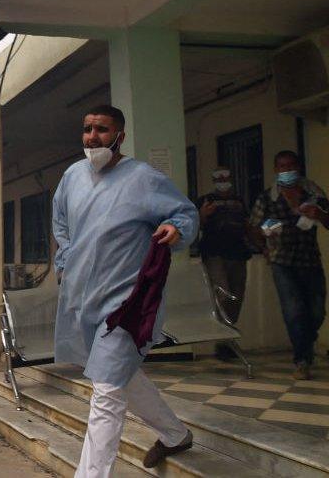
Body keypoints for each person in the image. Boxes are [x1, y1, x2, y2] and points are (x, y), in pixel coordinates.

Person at [52, 105, 198, 477]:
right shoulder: (72, 177)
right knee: (118, 374)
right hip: (84, 298)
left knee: (106, 392)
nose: (92, 137)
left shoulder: (144, 179)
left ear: (120, 136)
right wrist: (67, 261)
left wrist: (176, 229)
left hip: (126, 301)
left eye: (102, 129)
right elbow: (61, 226)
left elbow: (185, 213)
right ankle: (175, 434)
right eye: (87, 129)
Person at [248, 150, 329, 380]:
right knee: (293, 311)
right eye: (282, 166)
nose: (287, 170)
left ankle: (305, 342)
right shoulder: (267, 198)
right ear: (276, 170)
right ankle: (302, 361)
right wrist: (263, 247)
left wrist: (320, 215)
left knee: (316, 312)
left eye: (291, 165)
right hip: (281, 261)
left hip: (310, 259)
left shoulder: (313, 193)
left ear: (298, 167)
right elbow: (253, 227)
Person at [196, 166, 252, 359]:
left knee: (237, 296)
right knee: (223, 294)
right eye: (218, 177)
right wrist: (203, 214)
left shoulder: (239, 201)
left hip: (238, 253)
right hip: (214, 253)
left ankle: (226, 340)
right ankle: (222, 338)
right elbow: (196, 225)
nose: (222, 180)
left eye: (226, 176)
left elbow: (247, 225)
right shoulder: (206, 200)